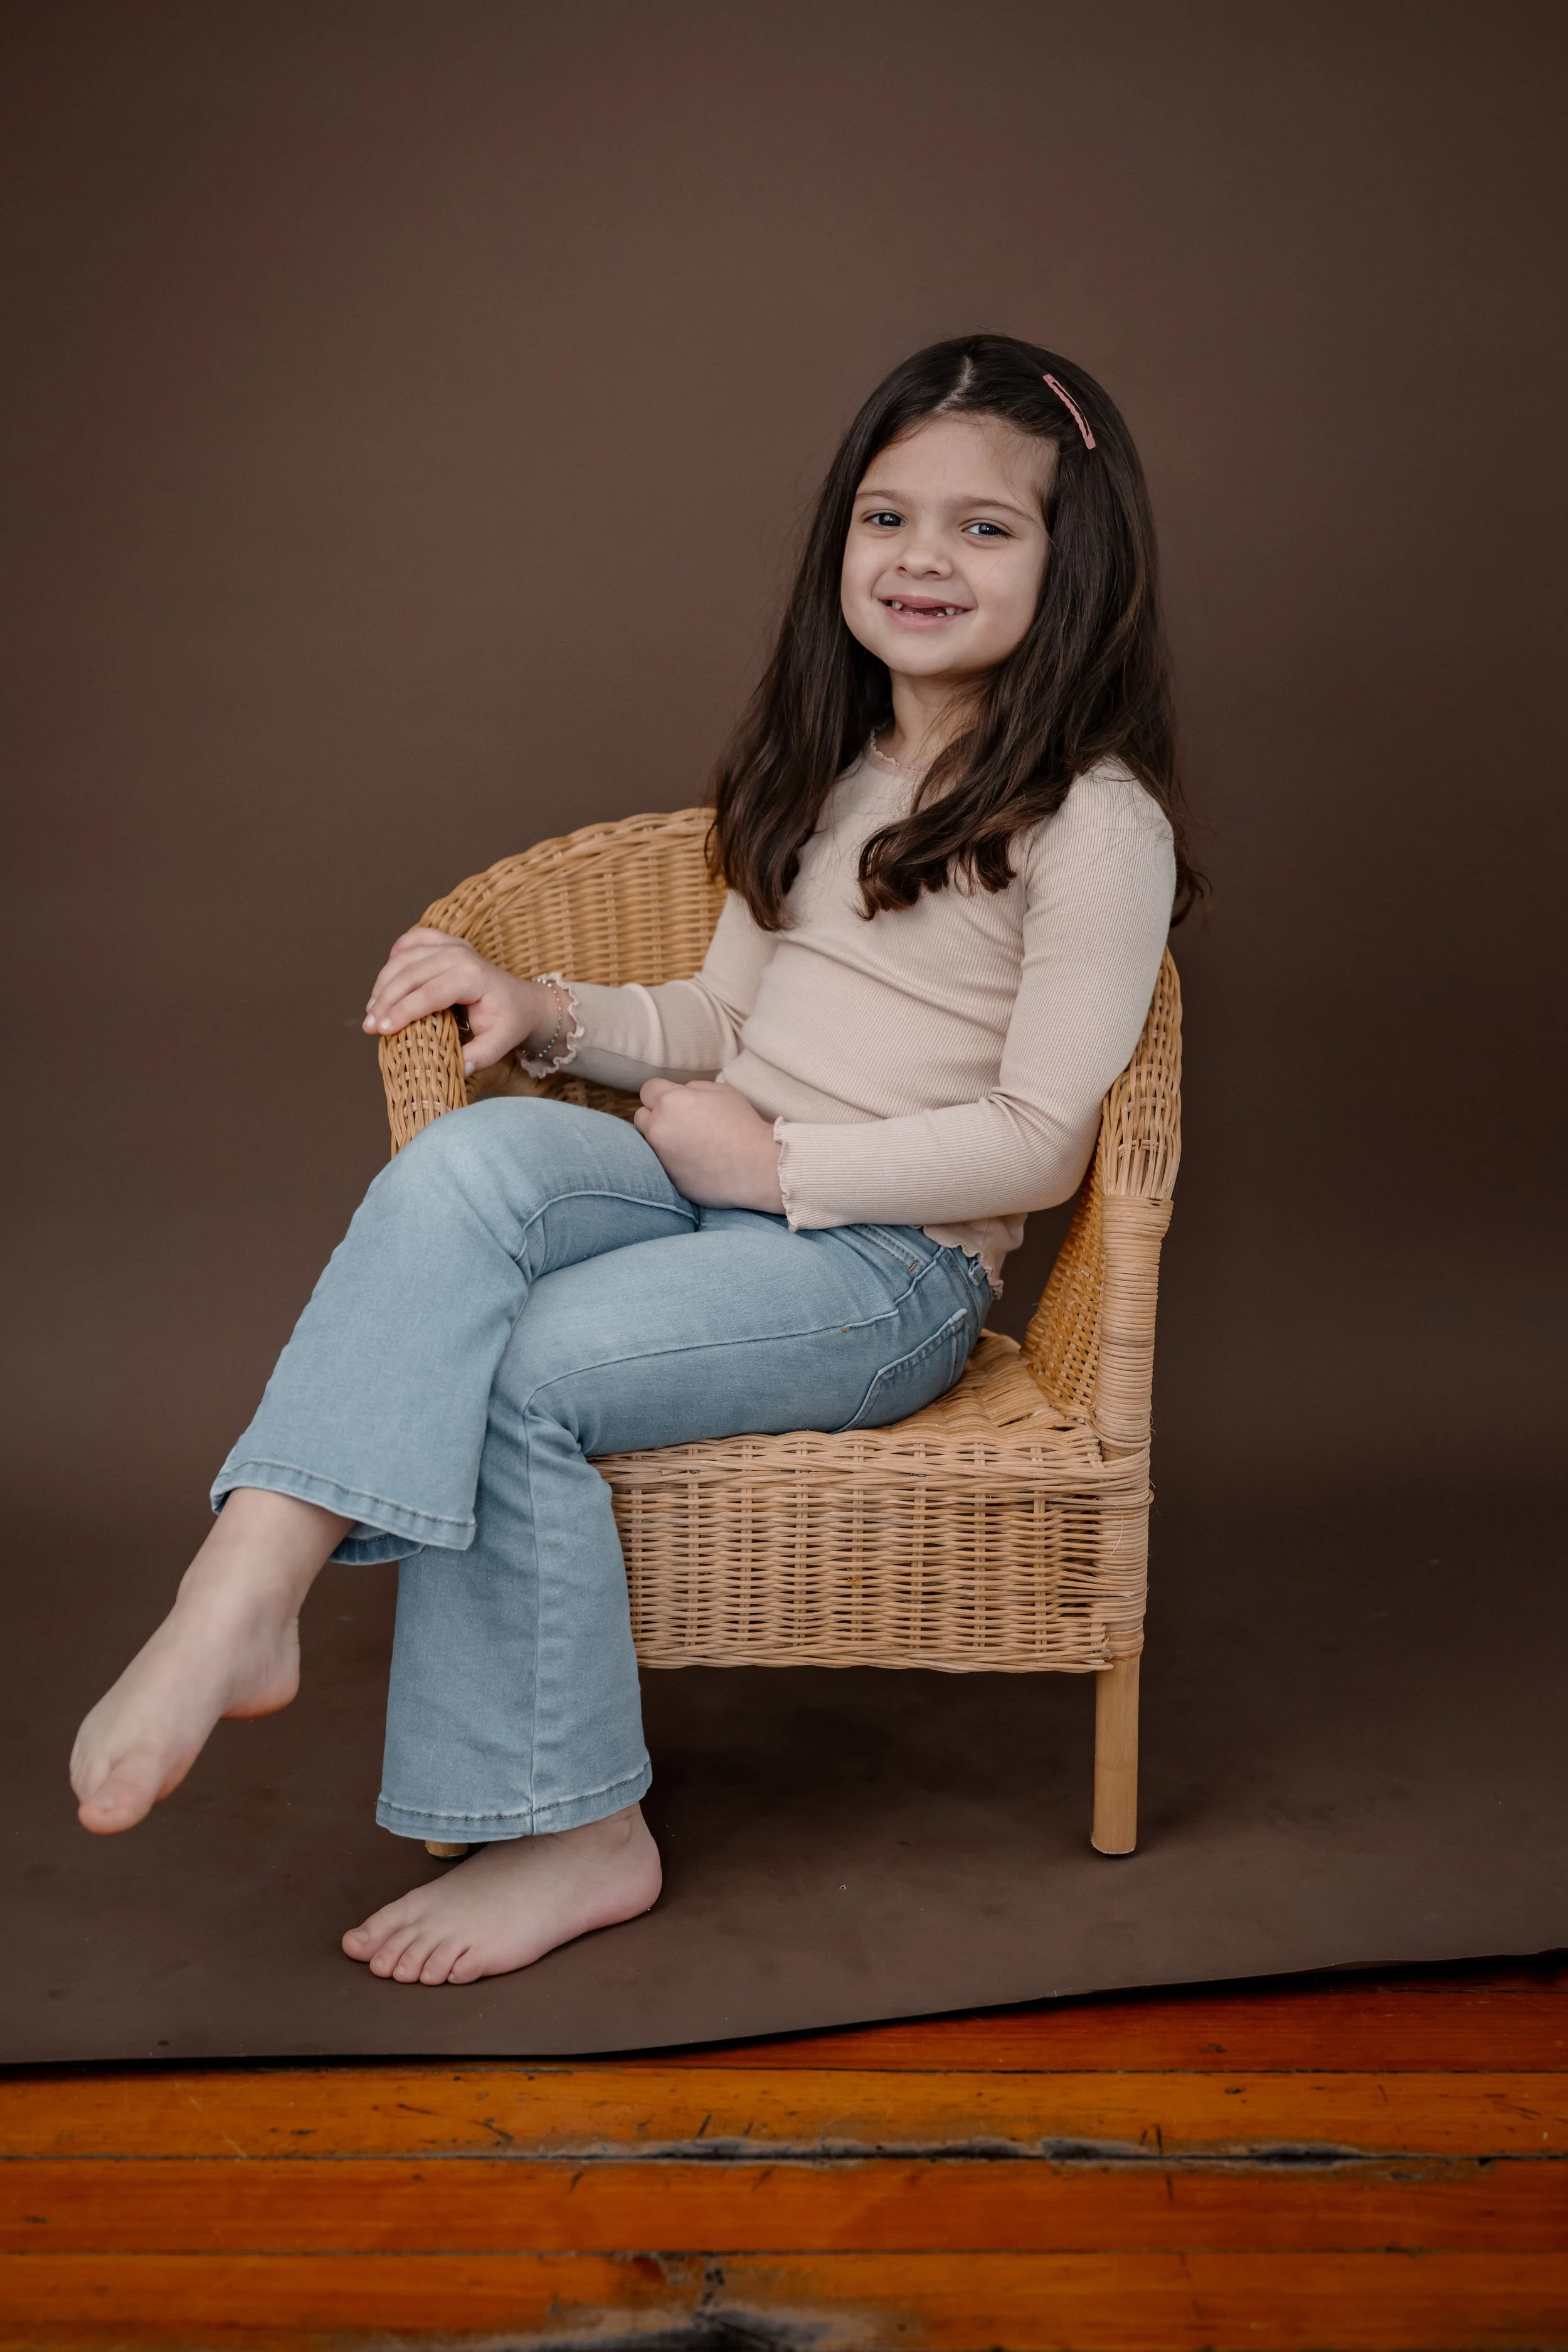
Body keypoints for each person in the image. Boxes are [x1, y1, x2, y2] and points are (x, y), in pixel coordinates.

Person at [70, 334, 1196, 1986]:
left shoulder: (1094, 820)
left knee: (511, 1366)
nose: (921, 560)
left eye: (983, 527)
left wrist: (780, 1166)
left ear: (1072, 561)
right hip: (710, 1183)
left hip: (882, 1272)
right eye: (887, 517)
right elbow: (716, 1018)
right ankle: (243, 1588)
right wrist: (544, 1010)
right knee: (470, 1163)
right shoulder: (831, 764)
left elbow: (1039, 1143)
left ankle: (580, 1828)